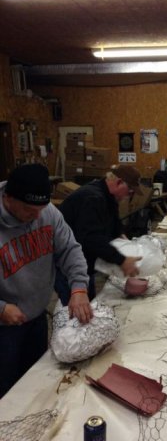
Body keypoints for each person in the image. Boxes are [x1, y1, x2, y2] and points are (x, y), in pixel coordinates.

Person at [0, 163, 92, 398]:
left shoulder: (47, 212)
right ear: (8, 198)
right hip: (4, 327)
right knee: (7, 391)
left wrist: (79, 287)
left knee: (34, 383)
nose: (38, 216)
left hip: (36, 315)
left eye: (42, 208)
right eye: (30, 210)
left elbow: (70, 249)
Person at [54, 165, 143, 305]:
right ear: (119, 182)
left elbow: (115, 225)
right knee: (76, 314)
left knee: (90, 305)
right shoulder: (93, 198)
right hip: (68, 266)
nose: (128, 196)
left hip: (84, 264)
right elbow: (91, 238)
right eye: (130, 191)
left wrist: (126, 242)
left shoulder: (108, 196)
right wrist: (121, 260)